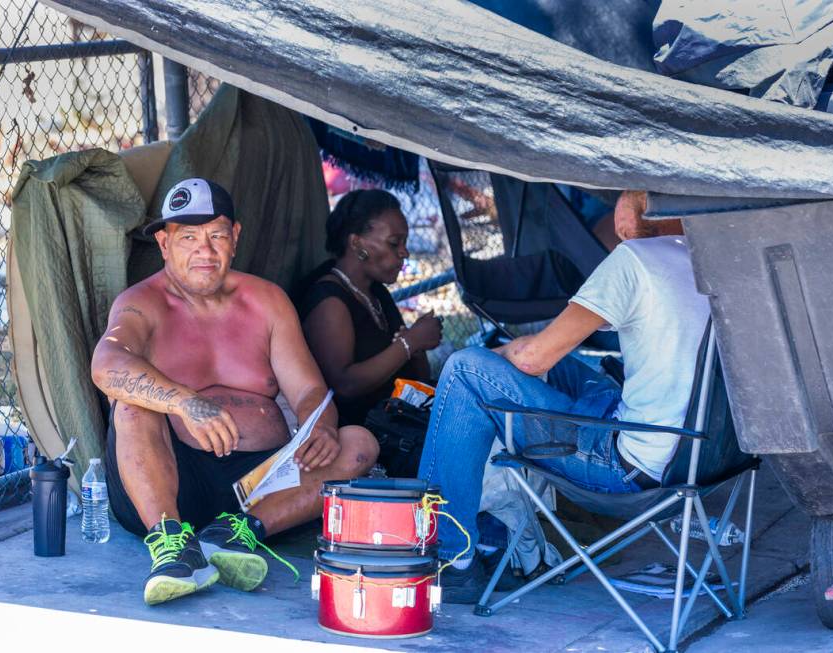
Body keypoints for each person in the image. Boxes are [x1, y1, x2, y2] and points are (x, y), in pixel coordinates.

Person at [91, 178, 379, 606]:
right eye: (188, 237)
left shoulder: (267, 301)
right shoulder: (141, 303)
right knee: (132, 407)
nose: (204, 251)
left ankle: (235, 535)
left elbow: (309, 389)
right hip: (170, 482)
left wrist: (322, 425)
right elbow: (107, 364)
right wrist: (184, 401)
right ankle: (171, 543)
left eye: (216, 236)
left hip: (259, 487)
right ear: (164, 244)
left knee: (359, 444)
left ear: (235, 238)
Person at [418, 190, 710, 603]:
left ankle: (448, 558)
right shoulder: (707, 262)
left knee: (464, 370)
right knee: (567, 369)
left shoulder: (635, 261)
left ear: (626, 219)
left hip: (627, 467)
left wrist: (497, 360)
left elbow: (534, 358)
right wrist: (511, 362)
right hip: (697, 457)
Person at [298, 189, 442, 428]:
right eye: (394, 243)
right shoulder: (329, 301)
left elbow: (419, 377)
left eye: (404, 243)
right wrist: (409, 344)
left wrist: (415, 347)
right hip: (359, 433)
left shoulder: (375, 292)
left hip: (397, 417)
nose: (404, 252)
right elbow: (344, 385)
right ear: (356, 243)